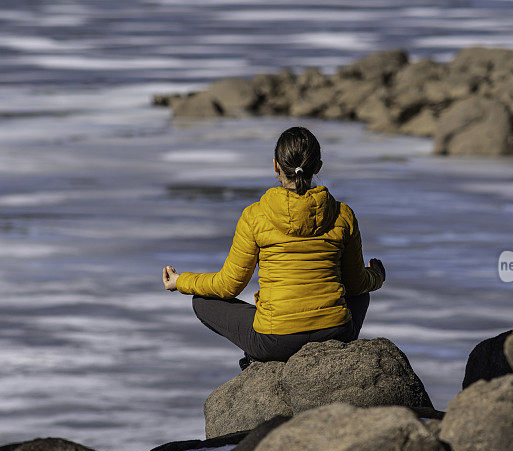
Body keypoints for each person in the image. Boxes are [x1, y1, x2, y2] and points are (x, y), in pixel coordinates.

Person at [162, 126, 386, 370]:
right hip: (335, 333)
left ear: (276, 166)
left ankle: (256, 359)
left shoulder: (255, 216)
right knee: (361, 292)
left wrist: (180, 281)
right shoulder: (343, 215)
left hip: (275, 342)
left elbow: (228, 286)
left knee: (202, 302)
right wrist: (377, 275)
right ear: (318, 167)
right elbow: (357, 284)